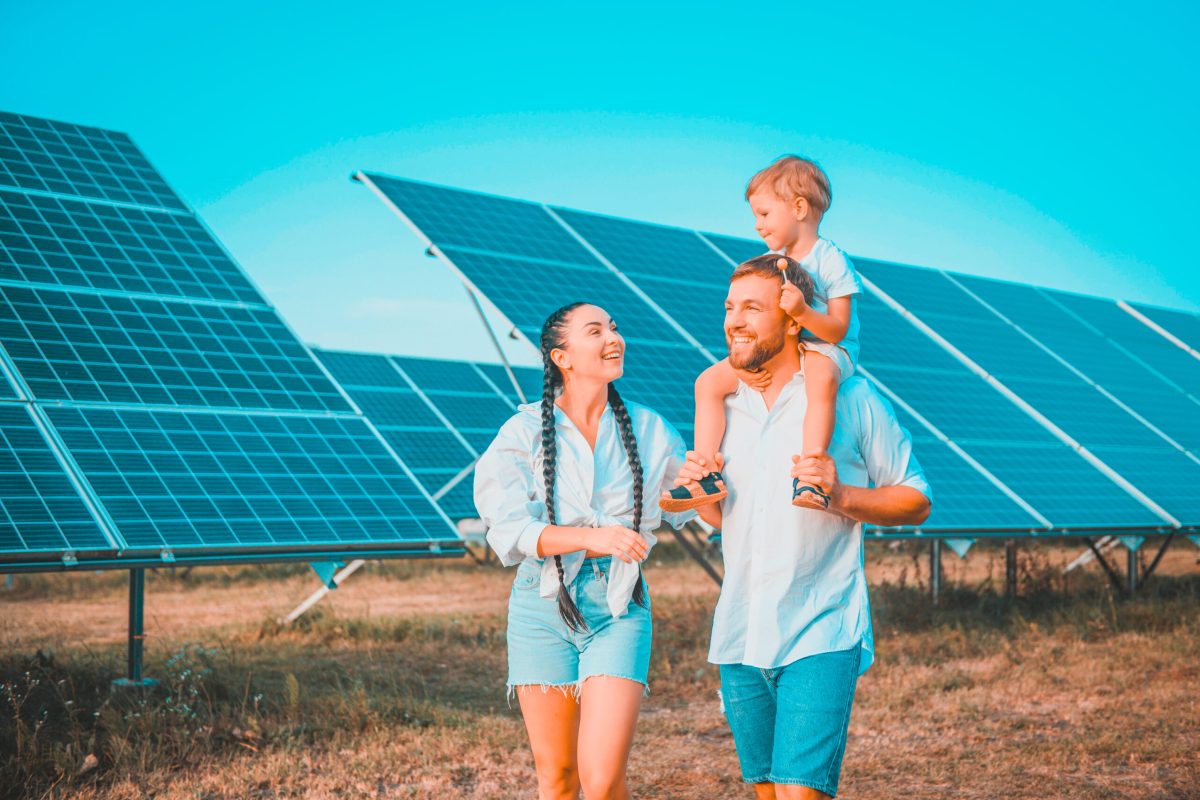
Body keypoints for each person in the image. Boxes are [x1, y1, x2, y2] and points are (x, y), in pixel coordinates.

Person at [676, 254, 932, 799]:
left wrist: (839, 495)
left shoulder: (853, 398)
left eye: (751, 307)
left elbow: (915, 500)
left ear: (793, 318)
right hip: (741, 632)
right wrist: (702, 491)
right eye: (728, 307)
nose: (733, 320)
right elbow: (724, 520)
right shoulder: (723, 405)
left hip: (822, 628)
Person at [474, 301, 694, 800]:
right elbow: (508, 529)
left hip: (618, 606)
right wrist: (591, 537)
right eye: (595, 331)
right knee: (557, 778)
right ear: (562, 357)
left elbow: (691, 507)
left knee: (601, 779)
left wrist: (711, 485)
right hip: (539, 604)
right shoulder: (524, 431)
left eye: (614, 327)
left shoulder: (651, 430)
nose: (613, 337)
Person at [661, 155, 863, 513]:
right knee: (708, 382)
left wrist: (803, 312)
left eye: (765, 214)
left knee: (819, 377)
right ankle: (705, 473)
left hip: (827, 348)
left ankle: (811, 472)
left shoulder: (831, 259)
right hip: (783, 349)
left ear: (799, 207)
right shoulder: (771, 259)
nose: (757, 225)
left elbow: (838, 329)